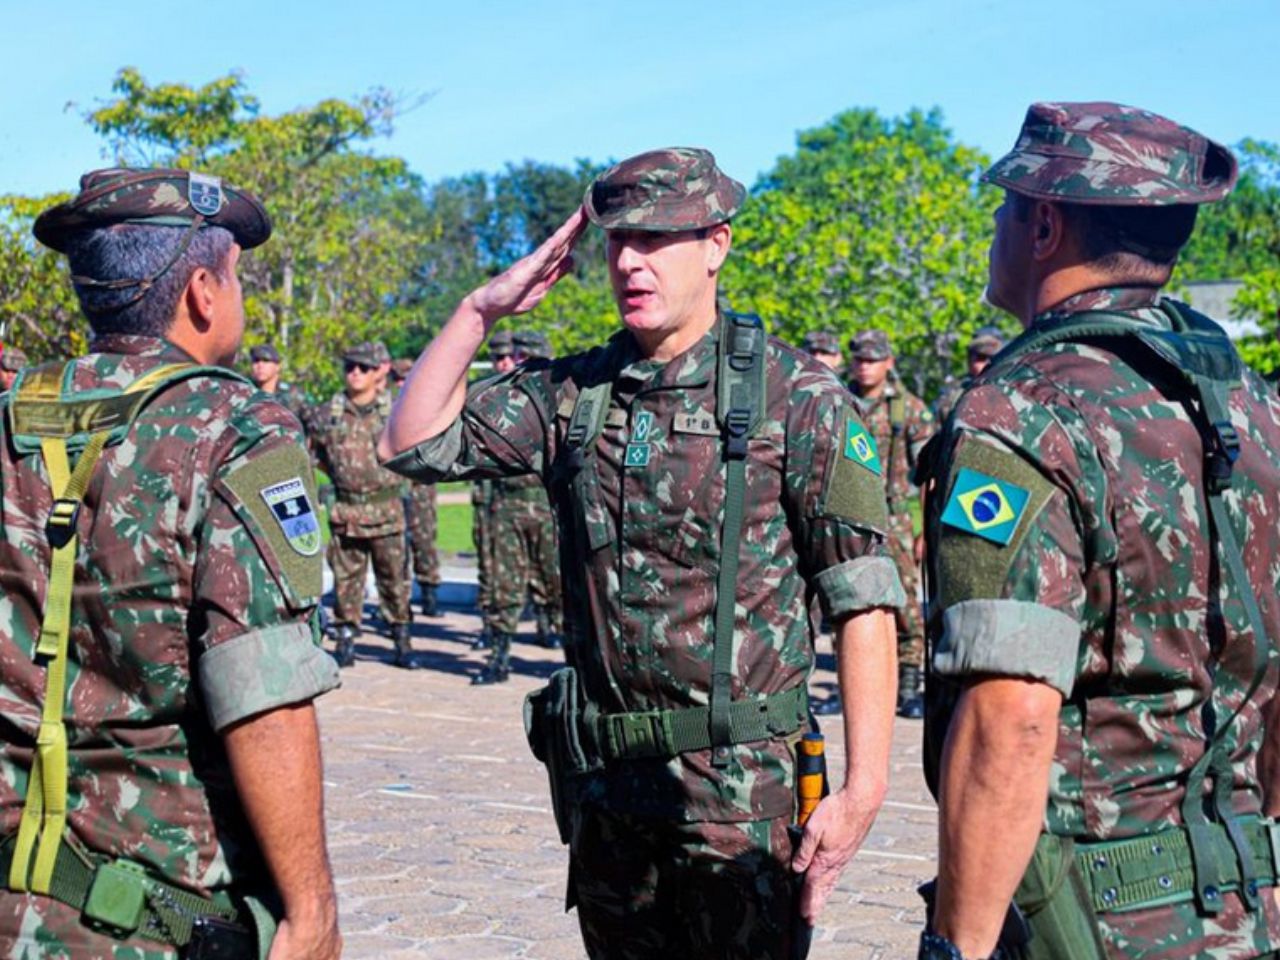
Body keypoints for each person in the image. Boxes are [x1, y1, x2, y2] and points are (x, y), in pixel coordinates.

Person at [381, 146, 902, 959]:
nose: (630, 261)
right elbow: (412, 443)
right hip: (609, 799)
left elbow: (864, 598)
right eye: (617, 242)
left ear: (716, 245)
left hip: (744, 801)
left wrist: (865, 789)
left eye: (656, 240)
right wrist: (481, 310)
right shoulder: (574, 393)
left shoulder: (796, 399)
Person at [918, 102, 1280, 960]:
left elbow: (1010, 716)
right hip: (1239, 902)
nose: (997, 230)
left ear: (1044, 223)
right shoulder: (1254, 411)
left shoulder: (1021, 412)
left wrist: (955, 949)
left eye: (1006, 209)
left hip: (1082, 916)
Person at [0, 168, 341, 958]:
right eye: (236, 277)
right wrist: (311, 909)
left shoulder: (13, 413)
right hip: (152, 916)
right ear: (202, 292)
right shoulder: (237, 426)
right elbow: (264, 692)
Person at [830, 328, 934, 720]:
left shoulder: (908, 409)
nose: (865, 366)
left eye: (873, 359)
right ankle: (851, 689)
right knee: (848, 599)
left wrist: (924, 531)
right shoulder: (837, 400)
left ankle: (908, 684)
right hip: (849, 515)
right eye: (859, 358)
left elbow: (928, 476)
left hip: (897, 518)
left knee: (906, 602)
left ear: (889, 362)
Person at [309, 341, 415, 669]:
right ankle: (346, 640)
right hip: (347, 511)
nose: (355, 373)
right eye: (350, 367)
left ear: (377, 372)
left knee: (394, 580)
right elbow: (315, 457)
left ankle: (401, 640)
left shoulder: (395, 411)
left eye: (363, 368)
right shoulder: (327, 415)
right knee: (346, 581)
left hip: (386, 511)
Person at [470, 331, 565, 684]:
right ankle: (498, 658)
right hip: (507, 506)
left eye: (526, 357)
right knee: (504, 585)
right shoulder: (500, 400)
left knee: (557, 584)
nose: (517, 363)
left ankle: (571, 663)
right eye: (518, 356)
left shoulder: (564, 398)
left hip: (547, 505)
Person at [470, 330, 518, 650]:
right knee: (491, 566)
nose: (503, 363)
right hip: (490, 498)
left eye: (508, 356)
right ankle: (492, 629)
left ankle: (548, 623)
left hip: (530, 500)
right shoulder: (481, 395)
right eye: (497, 358)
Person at [392, 358, 443, 618]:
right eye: (397, 379)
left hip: (421, 487)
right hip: (395, 488)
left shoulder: (425, 409)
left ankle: (429, 594)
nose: (401, 384)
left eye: (405, 378)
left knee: (424, 542)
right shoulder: (387, 411)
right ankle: (397, 602)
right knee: (396, 547)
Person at [931, 325, 1004, 422]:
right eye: (981, 358)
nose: (988, 364)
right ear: (969, 360)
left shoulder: (1015, 389)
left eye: (994, 358)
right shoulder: (952, 392)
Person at [248, 342, 309, 426]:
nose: (260, 365)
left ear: (277, 366)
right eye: (256, 361)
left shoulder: (293, 395)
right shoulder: (245, 393)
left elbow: (312, 427)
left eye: (266, 360)